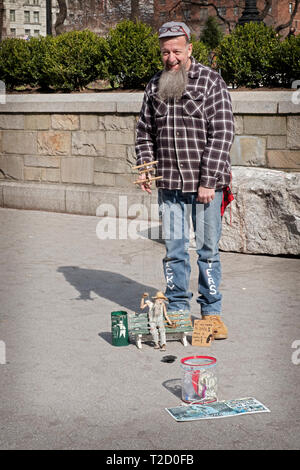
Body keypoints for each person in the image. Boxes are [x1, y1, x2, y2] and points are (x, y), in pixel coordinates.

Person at [135, 21, 235, 340]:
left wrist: (208, 181)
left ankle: (211, 312)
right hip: (169, 186)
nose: (171, 57)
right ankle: (178, 309)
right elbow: (144, 132)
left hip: (206, 186)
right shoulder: (154, 85)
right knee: (175, 250)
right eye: (165, 51)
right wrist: (146, 166)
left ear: (190, 49)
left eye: (177, 50)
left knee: (207, 251)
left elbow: (223, 132)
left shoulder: (211, 81)